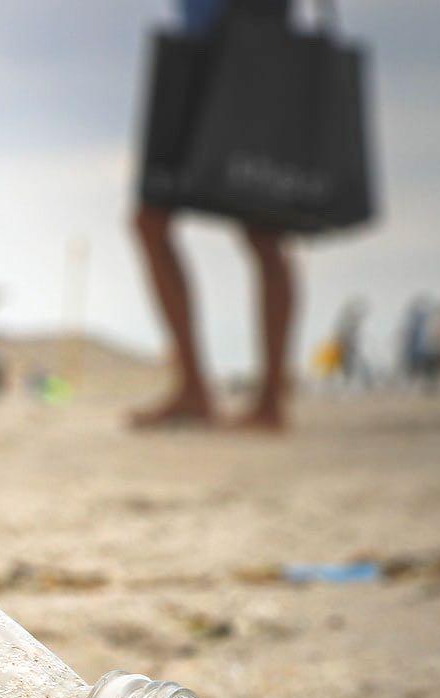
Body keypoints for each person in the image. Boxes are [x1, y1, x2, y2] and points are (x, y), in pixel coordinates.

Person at [131, 0, 296, 431]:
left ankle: (270, 399)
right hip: (196, 45)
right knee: (151, 220)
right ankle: (195, 388)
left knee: (264, 228)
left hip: (255, 46)